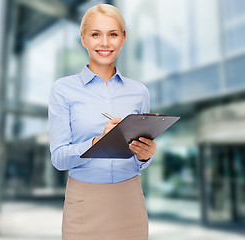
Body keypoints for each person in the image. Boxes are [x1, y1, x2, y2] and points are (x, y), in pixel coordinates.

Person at [48, 4, 156, 240]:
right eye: (96, 34)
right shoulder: (63, 90)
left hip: (130, 200)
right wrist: (98, 142)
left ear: (123, 38)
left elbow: (139, 161)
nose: (105, 43)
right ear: (83, 39)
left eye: (113, 34)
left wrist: (145, 155)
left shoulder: (139, 92)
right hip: (85, 201)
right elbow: (58, 158)